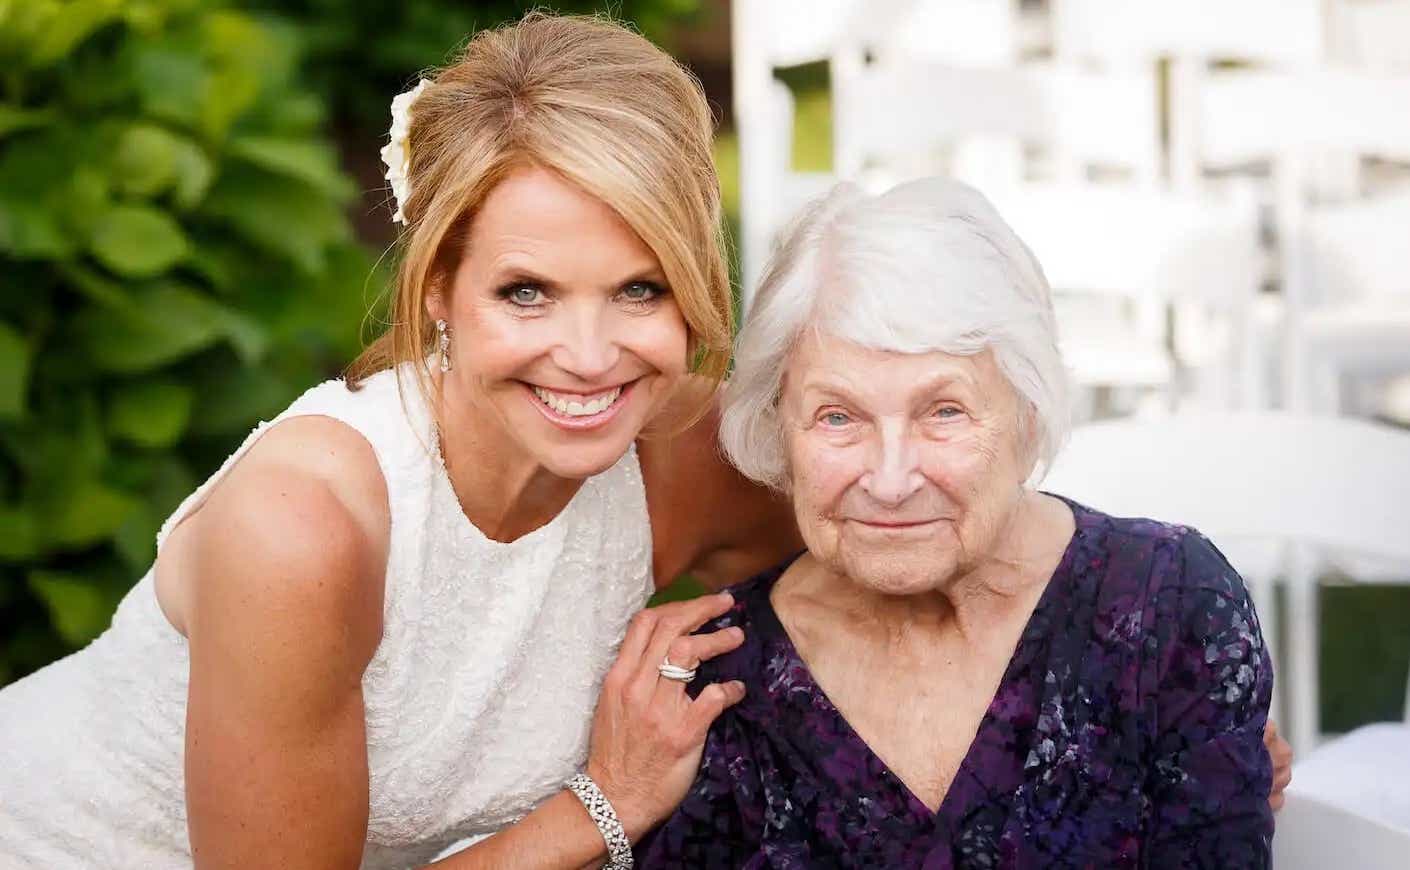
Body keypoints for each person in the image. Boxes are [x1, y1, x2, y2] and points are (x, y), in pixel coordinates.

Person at [0, 14, 800, 868]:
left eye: (641, 289)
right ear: (439, 286)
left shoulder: (687, 448)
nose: (591, 357)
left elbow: (902, 568)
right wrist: (607, 804)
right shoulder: (303, 528)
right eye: (527, 292)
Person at [637, 178, 1280, 867]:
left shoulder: (1170, 609)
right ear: (778, 429)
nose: (889, 481)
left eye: (943, 412)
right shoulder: (717, 680)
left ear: (1028, 413)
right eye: (838, 416)